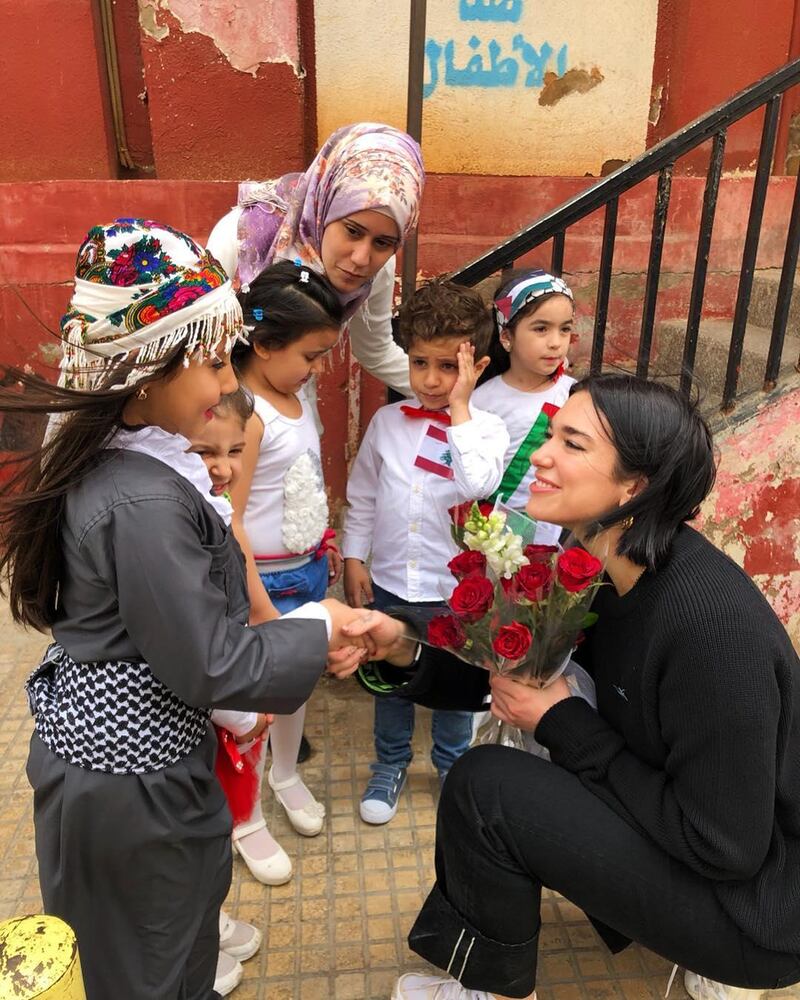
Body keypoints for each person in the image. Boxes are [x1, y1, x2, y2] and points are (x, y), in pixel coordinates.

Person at [0, 219, 388, 1000]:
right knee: (145, 958)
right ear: (146, 371)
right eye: (211, 361)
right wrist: (319, 629)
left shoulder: (132, 457)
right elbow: (210, 662)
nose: (224, 385)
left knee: (161, 935)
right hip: (133, 788)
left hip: (129, 772)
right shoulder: (142, 499)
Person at [370, 373, 800, 1000]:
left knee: (486, 788)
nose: (540, 455)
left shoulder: (706, 629)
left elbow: (727, 846)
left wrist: (563, 723)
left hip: (759, 910)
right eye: (552, 434)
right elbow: (520, 676)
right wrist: (403, 647)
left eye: (572, 444)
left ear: (635, 485)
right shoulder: (603, 566)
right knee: (507, 768)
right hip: (698, 840)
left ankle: (494, 989)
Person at [342, 278, 509, 824]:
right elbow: (363, 494)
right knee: (390, 682)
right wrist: (353, 558)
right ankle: (389, 765)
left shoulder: (488, 429)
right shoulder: (387, 424)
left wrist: (460, 411)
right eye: (420, 363)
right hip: (389, 580)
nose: (432, 380)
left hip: (452, 590)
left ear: (476, 366)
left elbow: (478, 485)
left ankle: (451, 766)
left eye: (448, 366)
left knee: (455, 685)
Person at [224, 260, 345, 885]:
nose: (318, 368)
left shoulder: (293, 397)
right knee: (250, 708)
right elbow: (232, 519)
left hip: (305, 570)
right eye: (312, 354)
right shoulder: (244, 416)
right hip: (261, 584)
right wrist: (257, 605)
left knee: (296, 688)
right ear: (264, 344)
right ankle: (244, 817)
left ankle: (287, 772)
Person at [207, 122, 425, 398]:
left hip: (296, 418)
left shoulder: (378, 270)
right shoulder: (243, 236)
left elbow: (376, 350)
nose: (361, 258)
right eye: (352, 231)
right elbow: (199, 346)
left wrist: (446, 393)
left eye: (383, 243)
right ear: (325, 208)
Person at [185, 386, 268, 997]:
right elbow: (194, 642)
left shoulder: (209, 507)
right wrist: (241, 710)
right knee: (192, 837)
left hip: (219, 706)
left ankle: (210, 920)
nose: (223, 466)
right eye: (202, 450)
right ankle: (196, 946)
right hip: (193, 713)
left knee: (215, 827)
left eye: (234, 450)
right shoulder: (167, 522)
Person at [472, 268, 576, 545]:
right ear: (507, 337)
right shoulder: (482, 399)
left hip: (557, 532)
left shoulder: (575, 396)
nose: (556, 343)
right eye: (541, 329)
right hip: (492, 533)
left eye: (564, 329)